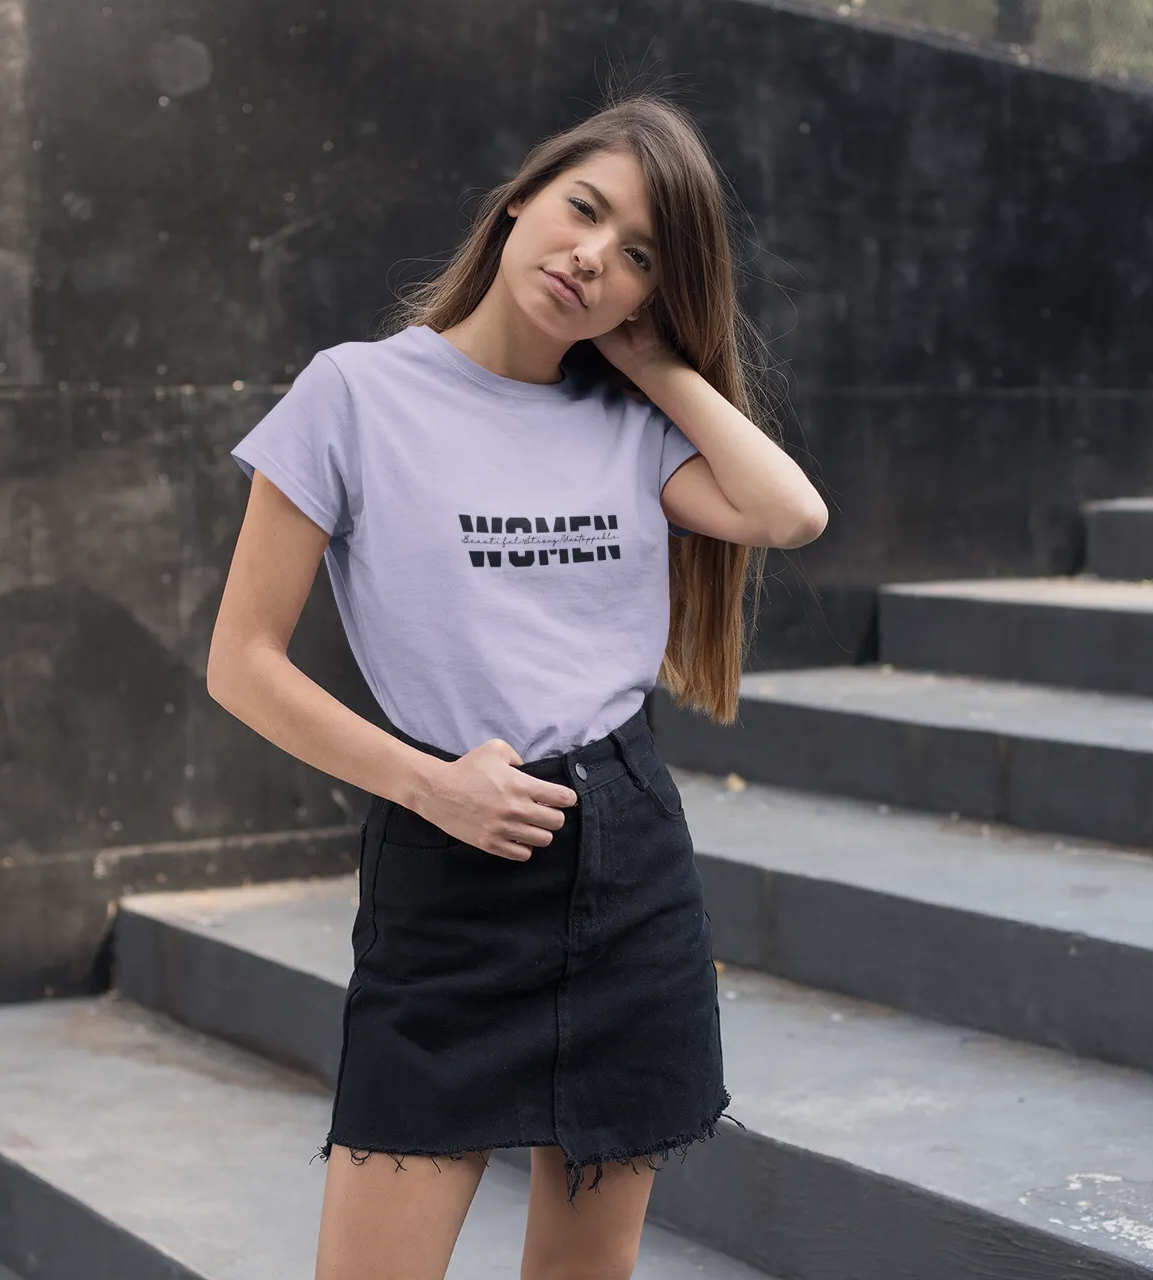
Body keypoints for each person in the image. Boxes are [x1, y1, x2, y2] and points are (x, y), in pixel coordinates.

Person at [207, 84, 828, 1280]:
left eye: (638, 255)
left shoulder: (629, 417)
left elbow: (786, 511)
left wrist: (653, 360)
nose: (591, 255)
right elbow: (242, 661)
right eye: (582, 209)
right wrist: (427, 784)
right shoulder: (353, 394)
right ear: (519, 203)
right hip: (450, 871)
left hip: (626, 866)